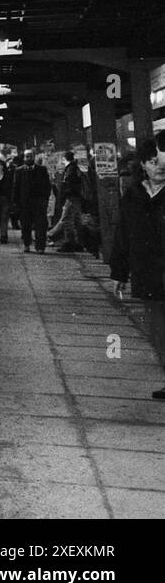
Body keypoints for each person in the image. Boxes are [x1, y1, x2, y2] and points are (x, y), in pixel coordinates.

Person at [108, 133, 165, 400]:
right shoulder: (133, 195)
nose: (160, 166)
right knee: (157, 332)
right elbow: (123, 234)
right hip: (149, 273)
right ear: (143, 164)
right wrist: (119, 272)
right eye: (153, 161)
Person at [11, 149, 51, 253]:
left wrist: (45, 200)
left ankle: (40, 247)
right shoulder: (19, 171)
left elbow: (47, 186)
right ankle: (26, 244)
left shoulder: (42, 170)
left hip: (39, 202)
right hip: (24, 203)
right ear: (24, 158)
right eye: (26, 156)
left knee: (40, 225)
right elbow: (16, 187)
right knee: (25, 225)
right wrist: (16, 203)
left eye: (30, 156)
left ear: (34, 157)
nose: (28, 158)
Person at [48, 151, 85, 251]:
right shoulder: (75, 168)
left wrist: (63, 196)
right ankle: (78, 243)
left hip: (71, 198)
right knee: (76, 220)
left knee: (67, 220)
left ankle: (69, 242)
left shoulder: (70, 169)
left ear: (64, 159)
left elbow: (68, 185)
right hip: (76, 197)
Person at [6, 154, 23, 230]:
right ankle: (18, 224)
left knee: (13, 209)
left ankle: (15, 224)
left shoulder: (9, 170)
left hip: (11, 192)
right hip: (18, 192)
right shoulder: (19, 170)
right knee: (18, 209)